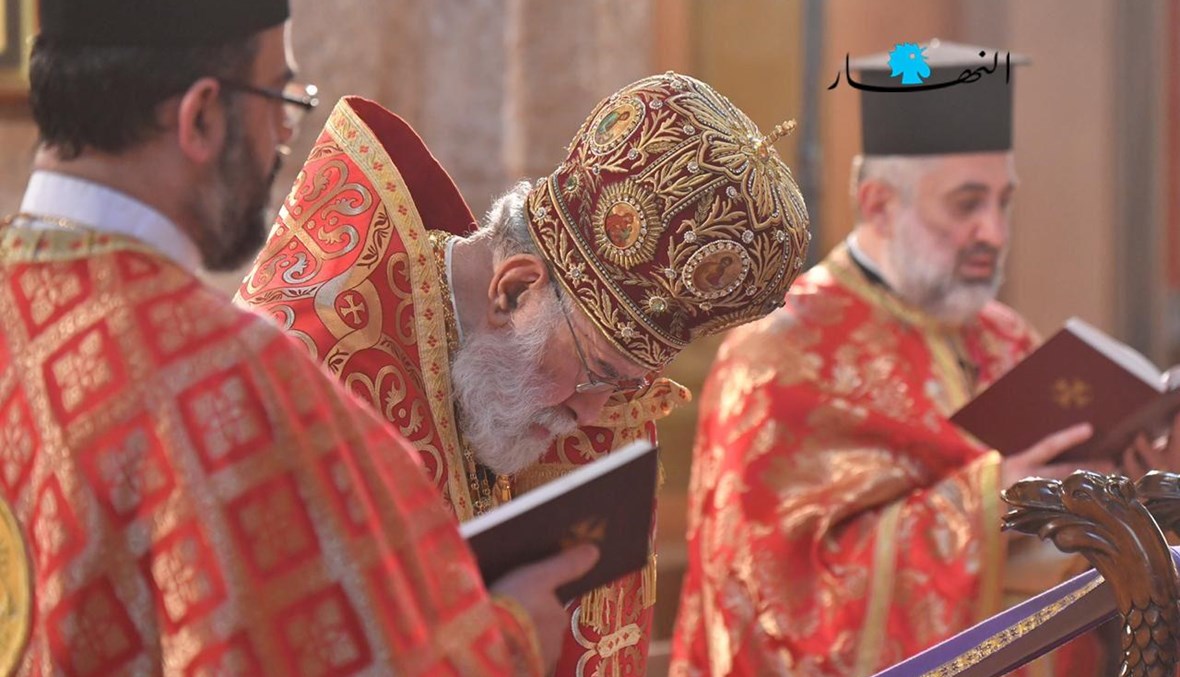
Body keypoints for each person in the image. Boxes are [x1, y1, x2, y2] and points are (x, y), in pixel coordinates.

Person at [0, 1, 598, 673]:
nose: (286, 130)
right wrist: (513, 635)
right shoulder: (230, 382)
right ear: (200, 117)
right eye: (279, 98)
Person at [237, 73, 812, 675]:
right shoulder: (305, 368)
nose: (594, 414)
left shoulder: (587, 397)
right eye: (599, 372)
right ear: (513, 290)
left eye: (624, 385)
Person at [670, 40, 1180, 676]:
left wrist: (1130, 490)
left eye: (1003, 202)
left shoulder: (1003, 336)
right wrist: (996, 502)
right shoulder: (776, 356)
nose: (992, 233)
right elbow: (772, 599)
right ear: (880, 205)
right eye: (966, 204)